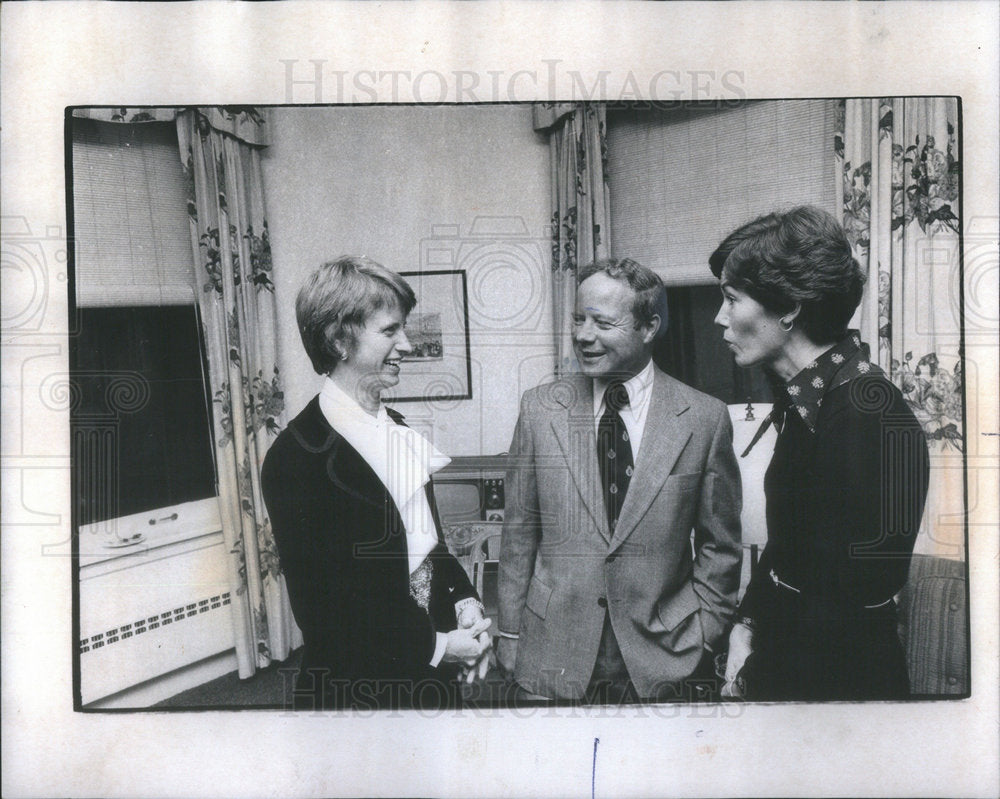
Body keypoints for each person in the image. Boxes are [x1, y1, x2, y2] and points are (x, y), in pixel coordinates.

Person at [497, 258, 743, 703]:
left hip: (668, 656)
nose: (583, 335)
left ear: (649, 327)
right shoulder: (538, 410)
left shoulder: (704, 419)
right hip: (552, 655)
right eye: (578, 319)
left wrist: (707, 632)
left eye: (603, 322)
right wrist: (510, 633)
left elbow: (719, 544)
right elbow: (518, 534)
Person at [712, 206, 930, 701]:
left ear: (788, 308)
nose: (719, 318)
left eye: (731, 299)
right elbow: (793, 550)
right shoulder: (813, 399)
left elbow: (843, 605)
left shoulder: (868, 411)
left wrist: (751, 677)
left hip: (840, 689)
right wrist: (746, 625)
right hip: (800, 670)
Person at [261, 256, 491, 710]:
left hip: (430, 672)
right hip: (361, 690)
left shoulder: (397, 428)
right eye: (390, 331)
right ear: (338, 339)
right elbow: (324, 613)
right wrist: (441, 647)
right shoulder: (294, 458)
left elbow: (430, 547)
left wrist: (464, 599)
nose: (407, 345)